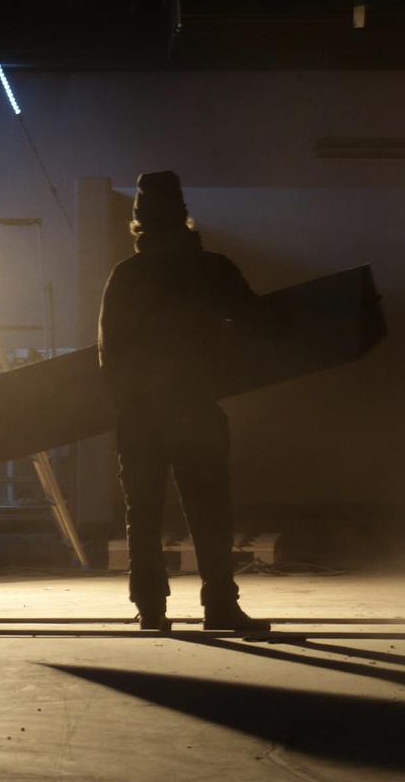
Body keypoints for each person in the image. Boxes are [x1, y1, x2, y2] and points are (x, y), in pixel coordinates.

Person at [97, 170, 280, 633]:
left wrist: (131, 405)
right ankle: (220, 606)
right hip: (195, 408)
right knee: (210, 510)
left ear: (138, 225)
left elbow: (109, 355)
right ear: (185, 219)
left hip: (140, 415)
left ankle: (151, 610)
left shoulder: (126, 275)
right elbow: (258, 323)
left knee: (143, 512)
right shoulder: (212, 268)